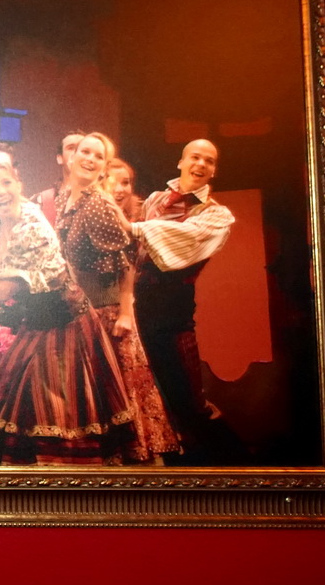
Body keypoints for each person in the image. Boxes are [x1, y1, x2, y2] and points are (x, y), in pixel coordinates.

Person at [0, 162, 131, 465]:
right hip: (36, 320)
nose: (0, 192)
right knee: (19, 400)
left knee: (58, 407)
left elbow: (6, 290)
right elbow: (0, 269)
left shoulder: (30, 225)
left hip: (65, 323)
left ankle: (62, 480)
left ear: (19, 185)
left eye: (6, 183)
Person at [110, 138, 238, 463]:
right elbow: (130, 241)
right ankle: (172, 467)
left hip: (172, 314)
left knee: (190, 399)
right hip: (139, 311)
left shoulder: (216, 216)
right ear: (181, 162)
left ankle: (237, 464)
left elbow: (174, 238)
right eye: (195, 157)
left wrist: (134, 227)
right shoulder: (155, 199)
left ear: (213, 171)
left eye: (208, 161)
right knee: (150, 394)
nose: (200, 165)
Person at [54, 133, 179, 463]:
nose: (90, 158)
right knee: (100, 395)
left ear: (103, 167)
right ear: (71, 155)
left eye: (98, 156)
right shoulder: (66, 199)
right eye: (85, 151)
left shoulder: (97, 204)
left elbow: (127, 259)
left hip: (108, 311)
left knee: (124, 392)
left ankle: (144, 473)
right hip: (83, 311)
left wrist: (125, 311)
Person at [29, 131, 83, 228]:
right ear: (60, 158)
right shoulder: (41, 201)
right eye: (71, 148)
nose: (76, 152)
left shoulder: (103, 199)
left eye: (83, 149)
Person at [105, 157, 143, 223]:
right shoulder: (88, 218)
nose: (119, 190)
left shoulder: (144, 215)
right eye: (112, 183)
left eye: (125, 182)